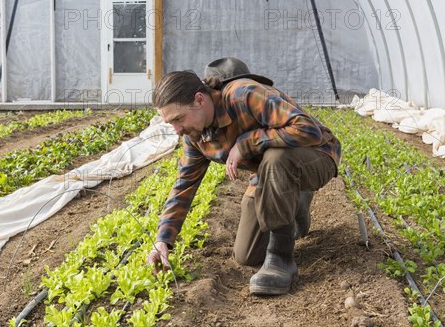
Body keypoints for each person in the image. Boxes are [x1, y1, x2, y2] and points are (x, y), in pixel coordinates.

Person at [146, 57, 341, 295]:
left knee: (275, 158)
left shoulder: (244, 95)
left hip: (316, 155)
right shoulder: (194, 137)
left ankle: (281, 260)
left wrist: (246, 144)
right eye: (170, 123)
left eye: (178, 119)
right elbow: (183, 186)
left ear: (199, 99)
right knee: (247, 255)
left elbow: (308, 131)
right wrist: (163, 240)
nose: (177, 129)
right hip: (269, 175)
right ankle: (297, 202)